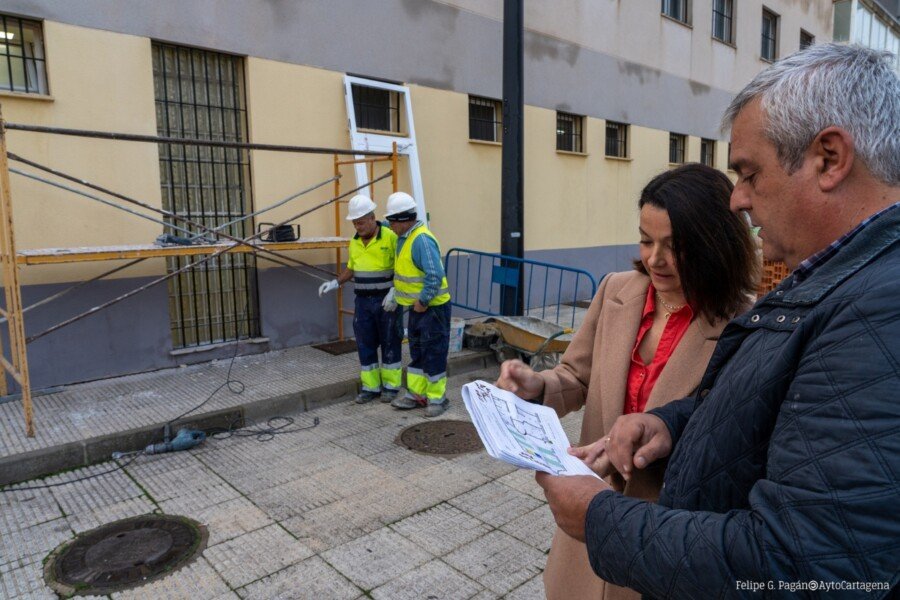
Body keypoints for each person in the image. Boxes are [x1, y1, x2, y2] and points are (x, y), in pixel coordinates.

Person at [535, 43, 900, 598]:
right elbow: (751, 409)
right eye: (645, 241)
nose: (739, 200)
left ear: (829, 158)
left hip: (656, 546)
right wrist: (672, 423)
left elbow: (804, 564)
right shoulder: (826, 281)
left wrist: (600, 519)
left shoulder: (877, 306)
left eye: (750, 173)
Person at [496, 164, 757, 600]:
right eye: (646, 239)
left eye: (677, 246)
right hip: (588, 527)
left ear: (716, 242)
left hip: (665, 538)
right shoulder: (616, 290)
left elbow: (733, 440)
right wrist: (536, 387)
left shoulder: (745, 325)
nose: (655, 258)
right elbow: (576, 375)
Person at [319, 195, 402, 404]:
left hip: (387, 302)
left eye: (361, 222)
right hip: (363, 303)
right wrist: (336, 282)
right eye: (355, 223)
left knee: (390, 342)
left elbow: (403, 265)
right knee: (365, 344)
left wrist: (396, 290)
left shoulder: (391, 237)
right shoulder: (354, 243)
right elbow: (352, 269)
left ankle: (391, 387)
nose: (358, 226)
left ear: (373, 218)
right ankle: (370, 387)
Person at [382, 191, 452, 418]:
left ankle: (437, 399)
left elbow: (434, 274)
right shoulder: (405, 238)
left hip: (431, 308)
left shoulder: (421, 239)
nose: (390, 225)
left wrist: (422, 301)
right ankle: (416, 394)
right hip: (417, 308)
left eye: (392, 221)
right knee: (417, 351)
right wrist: (396, 293)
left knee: (434, 352)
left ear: (404, 220)